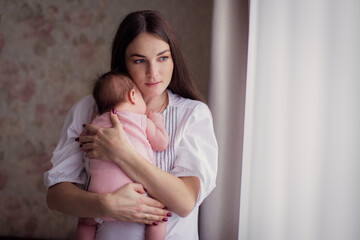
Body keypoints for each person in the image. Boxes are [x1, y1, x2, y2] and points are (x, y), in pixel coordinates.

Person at [44, 10, 218, 240]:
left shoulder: (192, 115)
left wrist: (121, 152)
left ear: (174, 58)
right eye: (139, 60)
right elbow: (56, 195)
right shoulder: (88, 109)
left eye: (163, 58)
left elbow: (185, 202)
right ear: (123, 63)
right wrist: (107, 204)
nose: (153, 72)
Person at [76, 71, 168, 240]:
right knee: (158, 217)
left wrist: (92, 121)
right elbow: (161, 143)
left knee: (85, 222)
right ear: (133, 96)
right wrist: (157, 121)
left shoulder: (95, 124)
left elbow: (83, 143)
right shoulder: (141, 120)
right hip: (136, 196)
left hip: (99, 197)